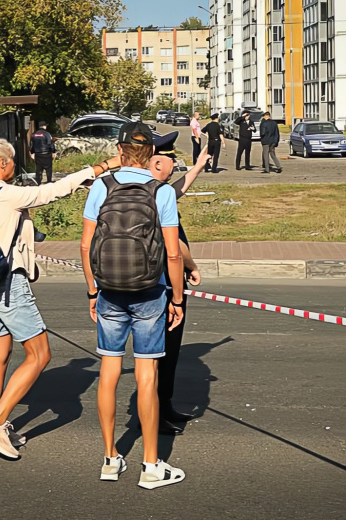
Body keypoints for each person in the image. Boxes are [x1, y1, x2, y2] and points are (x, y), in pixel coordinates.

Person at [0, 132, 118, 459]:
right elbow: (52, 191)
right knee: (39, 355)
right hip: (7, 283)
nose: (15, 166)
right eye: (12, 162)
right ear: (2, 164)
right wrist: (101, 167)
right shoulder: (5, 194)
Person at [80, 122, 186, 489]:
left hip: (109, 290)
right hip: (150, 292)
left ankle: (110, 459)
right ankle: (151, 466)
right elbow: (173, 252)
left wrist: (92, 291)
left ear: (120, 151)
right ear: (151, 153)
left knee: (109, 370)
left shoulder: (102, 186)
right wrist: (176, 298)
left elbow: (85, 244)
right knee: (147, 375)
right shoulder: (161, 192)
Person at [149, 132, 207, 435]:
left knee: (166, 352)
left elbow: (177, 190)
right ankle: (154, 413)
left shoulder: (151, 191)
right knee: (163, 351)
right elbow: (175, 246)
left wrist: (198, 166)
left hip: (157, 280)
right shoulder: (157, 194)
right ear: (157, 162)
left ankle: (164, 405)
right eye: (172, 160)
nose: (175, 165)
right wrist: (192, 266)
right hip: (165, 282)